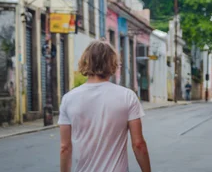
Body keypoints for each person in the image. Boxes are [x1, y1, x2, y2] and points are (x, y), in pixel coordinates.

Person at [59, 40, 151, 172]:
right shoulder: (127, 96)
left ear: (85, 62)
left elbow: (65, 147)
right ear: (112, 63)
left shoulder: (69, 99)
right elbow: (138, 144)